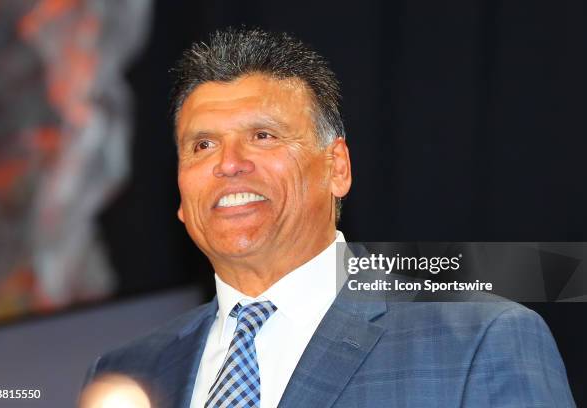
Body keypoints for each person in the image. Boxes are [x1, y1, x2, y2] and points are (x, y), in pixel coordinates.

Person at [82, 28, 575, 407]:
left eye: (264, 136)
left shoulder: (479, 342)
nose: (228, 163)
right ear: (182, 196)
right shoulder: (128, 372)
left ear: (337, 168)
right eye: (202, 145)